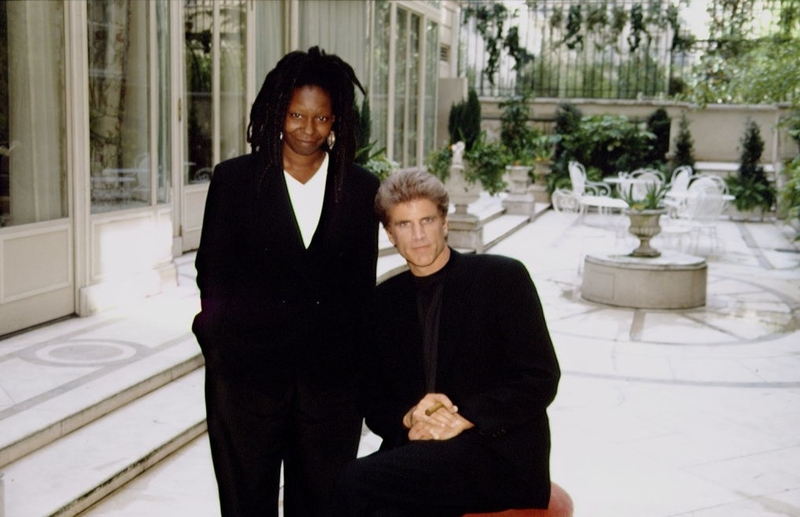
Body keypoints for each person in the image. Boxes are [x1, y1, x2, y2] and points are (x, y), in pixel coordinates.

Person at [191, 46, 379, 517]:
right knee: (245, 504)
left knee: (321, 505)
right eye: (297, 114)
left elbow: (361, 287)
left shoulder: (359, 189)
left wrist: (353, 367)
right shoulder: (234, 181)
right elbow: (210, 271)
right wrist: (219, 345)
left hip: (330, 390)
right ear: (277, 111)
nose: (307, 129)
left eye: (321, 118)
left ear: (336, 121)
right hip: (246, 385)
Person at [328, 169, 561, 516]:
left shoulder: (502, 277)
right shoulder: (383, 301)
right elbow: (374, 400)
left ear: (445, 223)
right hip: (421, 453)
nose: (418, 235)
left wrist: (464, 418)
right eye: (405, 225)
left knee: (355, 482)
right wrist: (409, 418)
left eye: (427, 220)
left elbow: (540, 379)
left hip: (496, 453)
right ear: (390, 234)